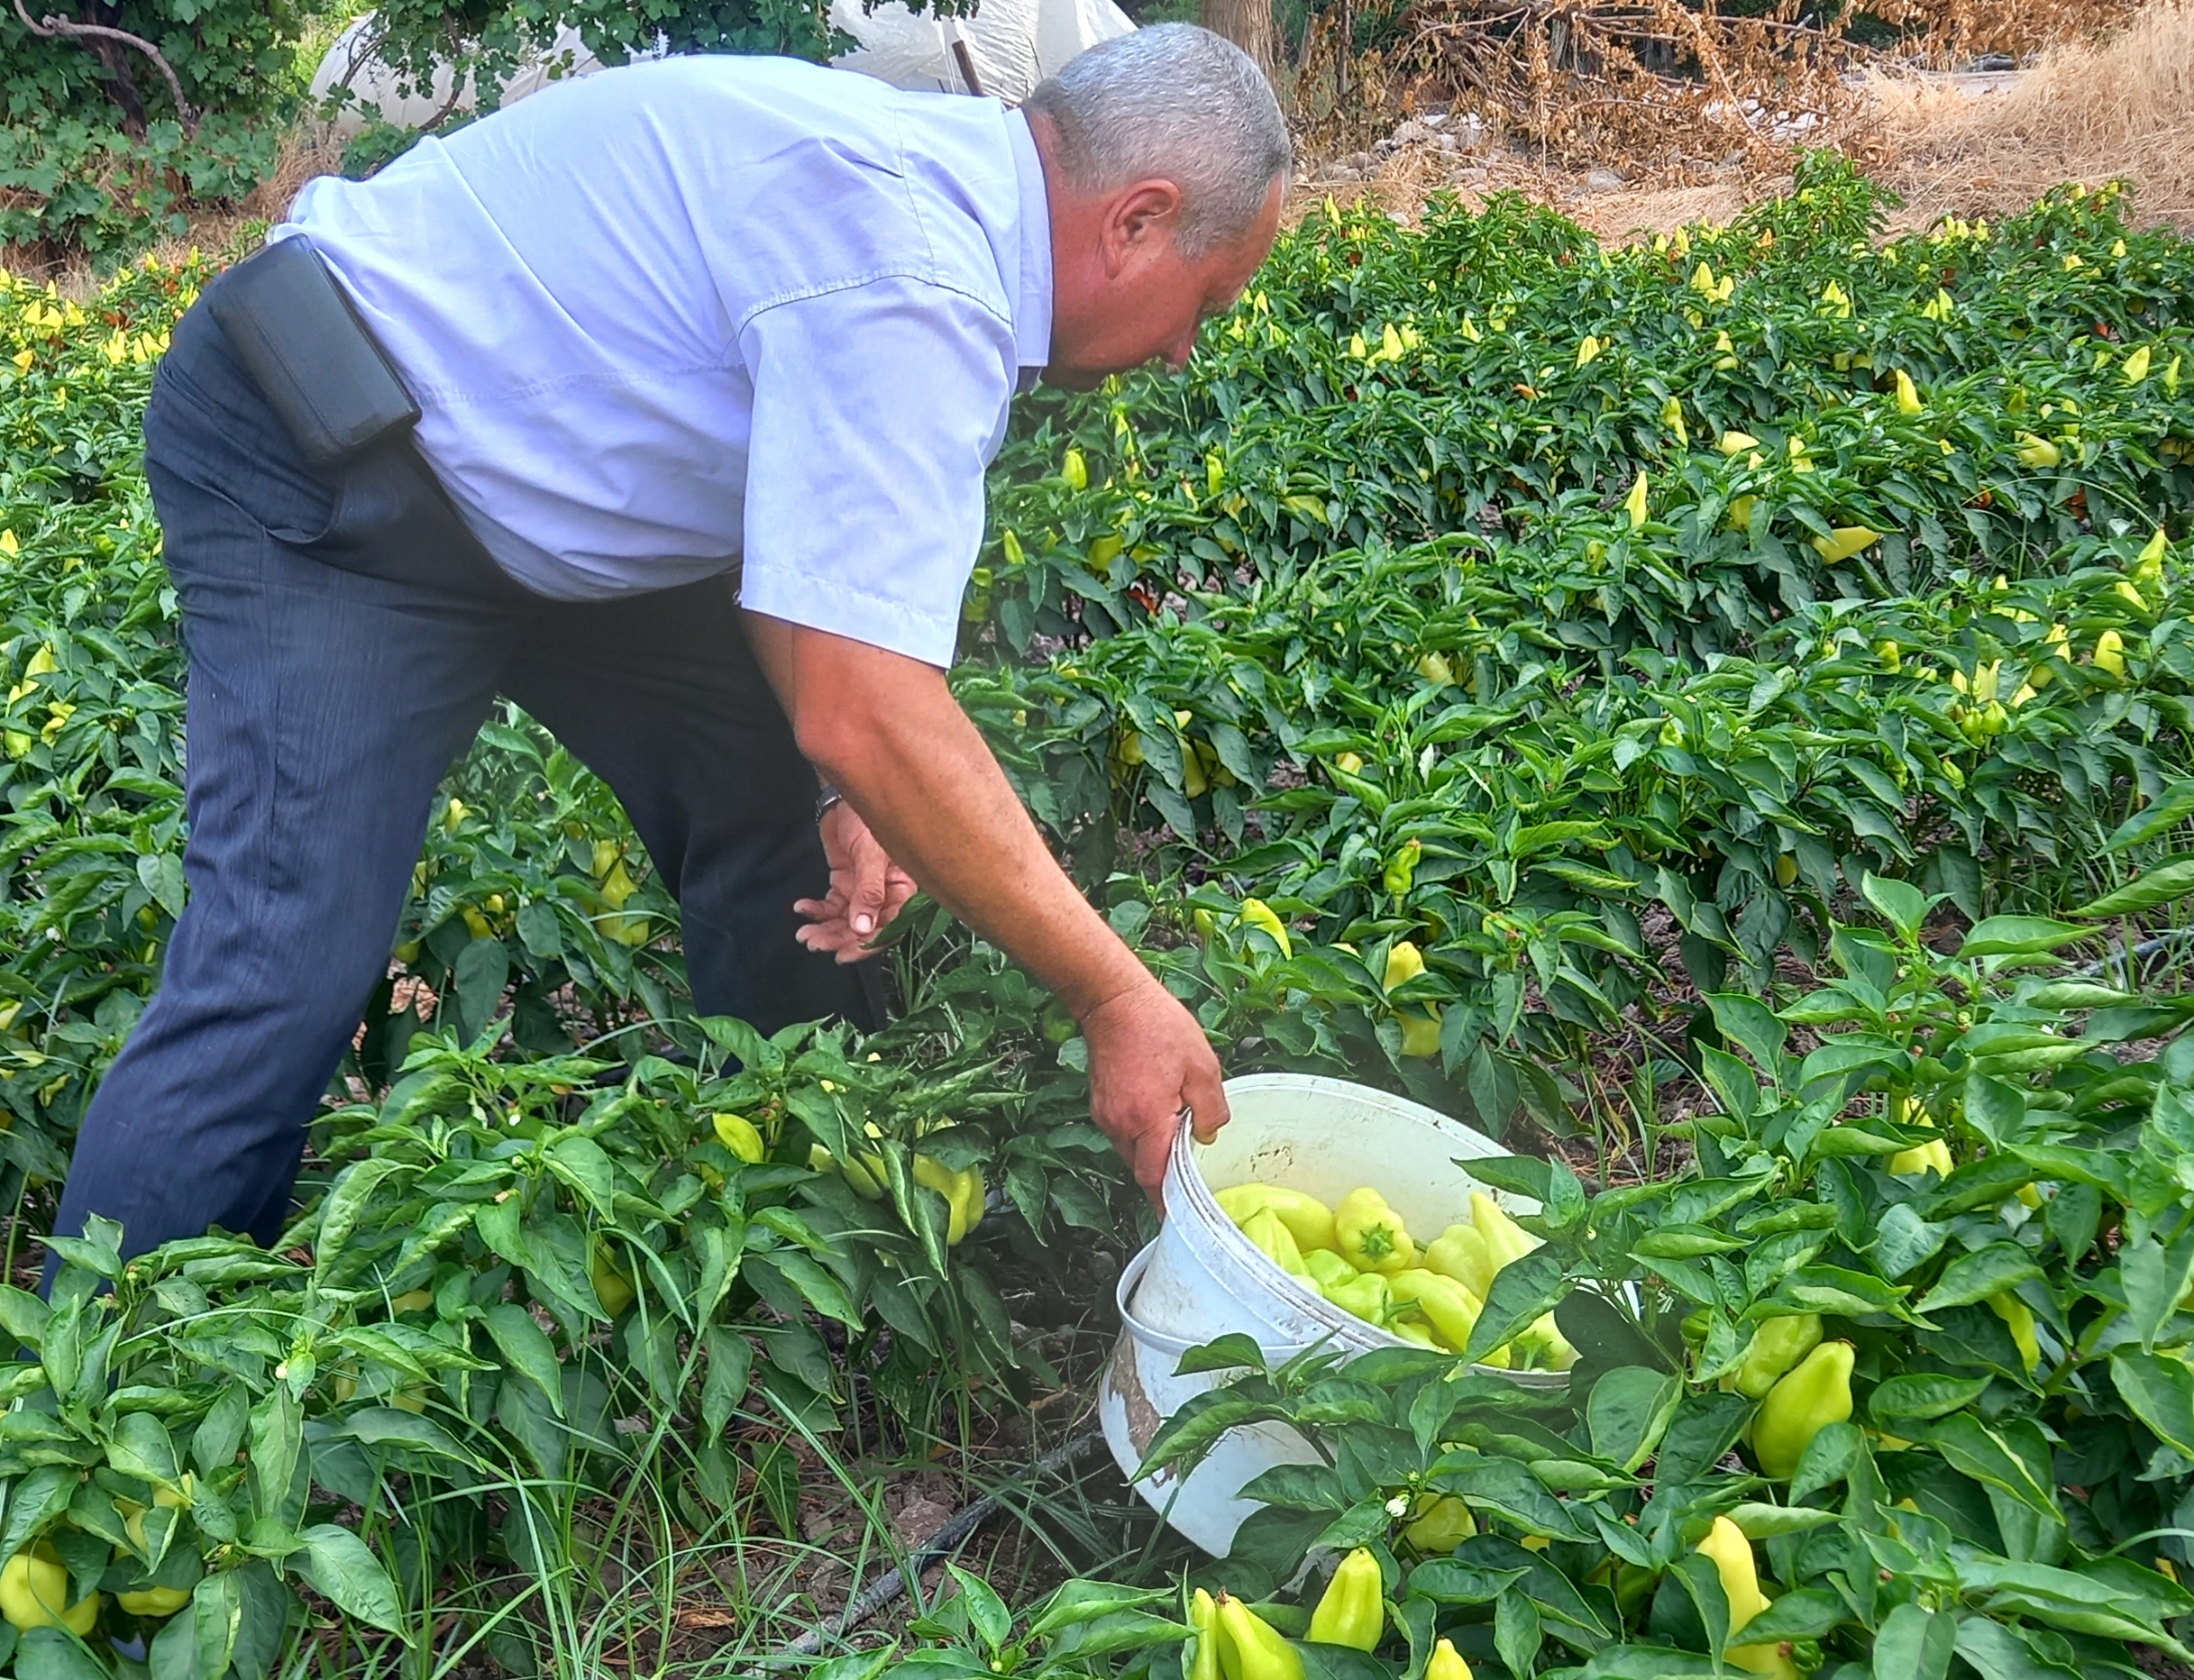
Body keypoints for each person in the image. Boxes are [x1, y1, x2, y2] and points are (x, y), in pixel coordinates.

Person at [50, 23, 1289, 1264]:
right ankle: (102, 1403)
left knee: (784, 807)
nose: (1186, 351)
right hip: (330, 451)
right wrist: (1112, 990)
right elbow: (861, 702)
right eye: (1207, 305)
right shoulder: (917, 275)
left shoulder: (936, 200)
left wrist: (852, 779)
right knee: (286, 950)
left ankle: (805, 1217)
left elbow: (799, 567)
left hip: (534, 469)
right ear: (1137, 220)